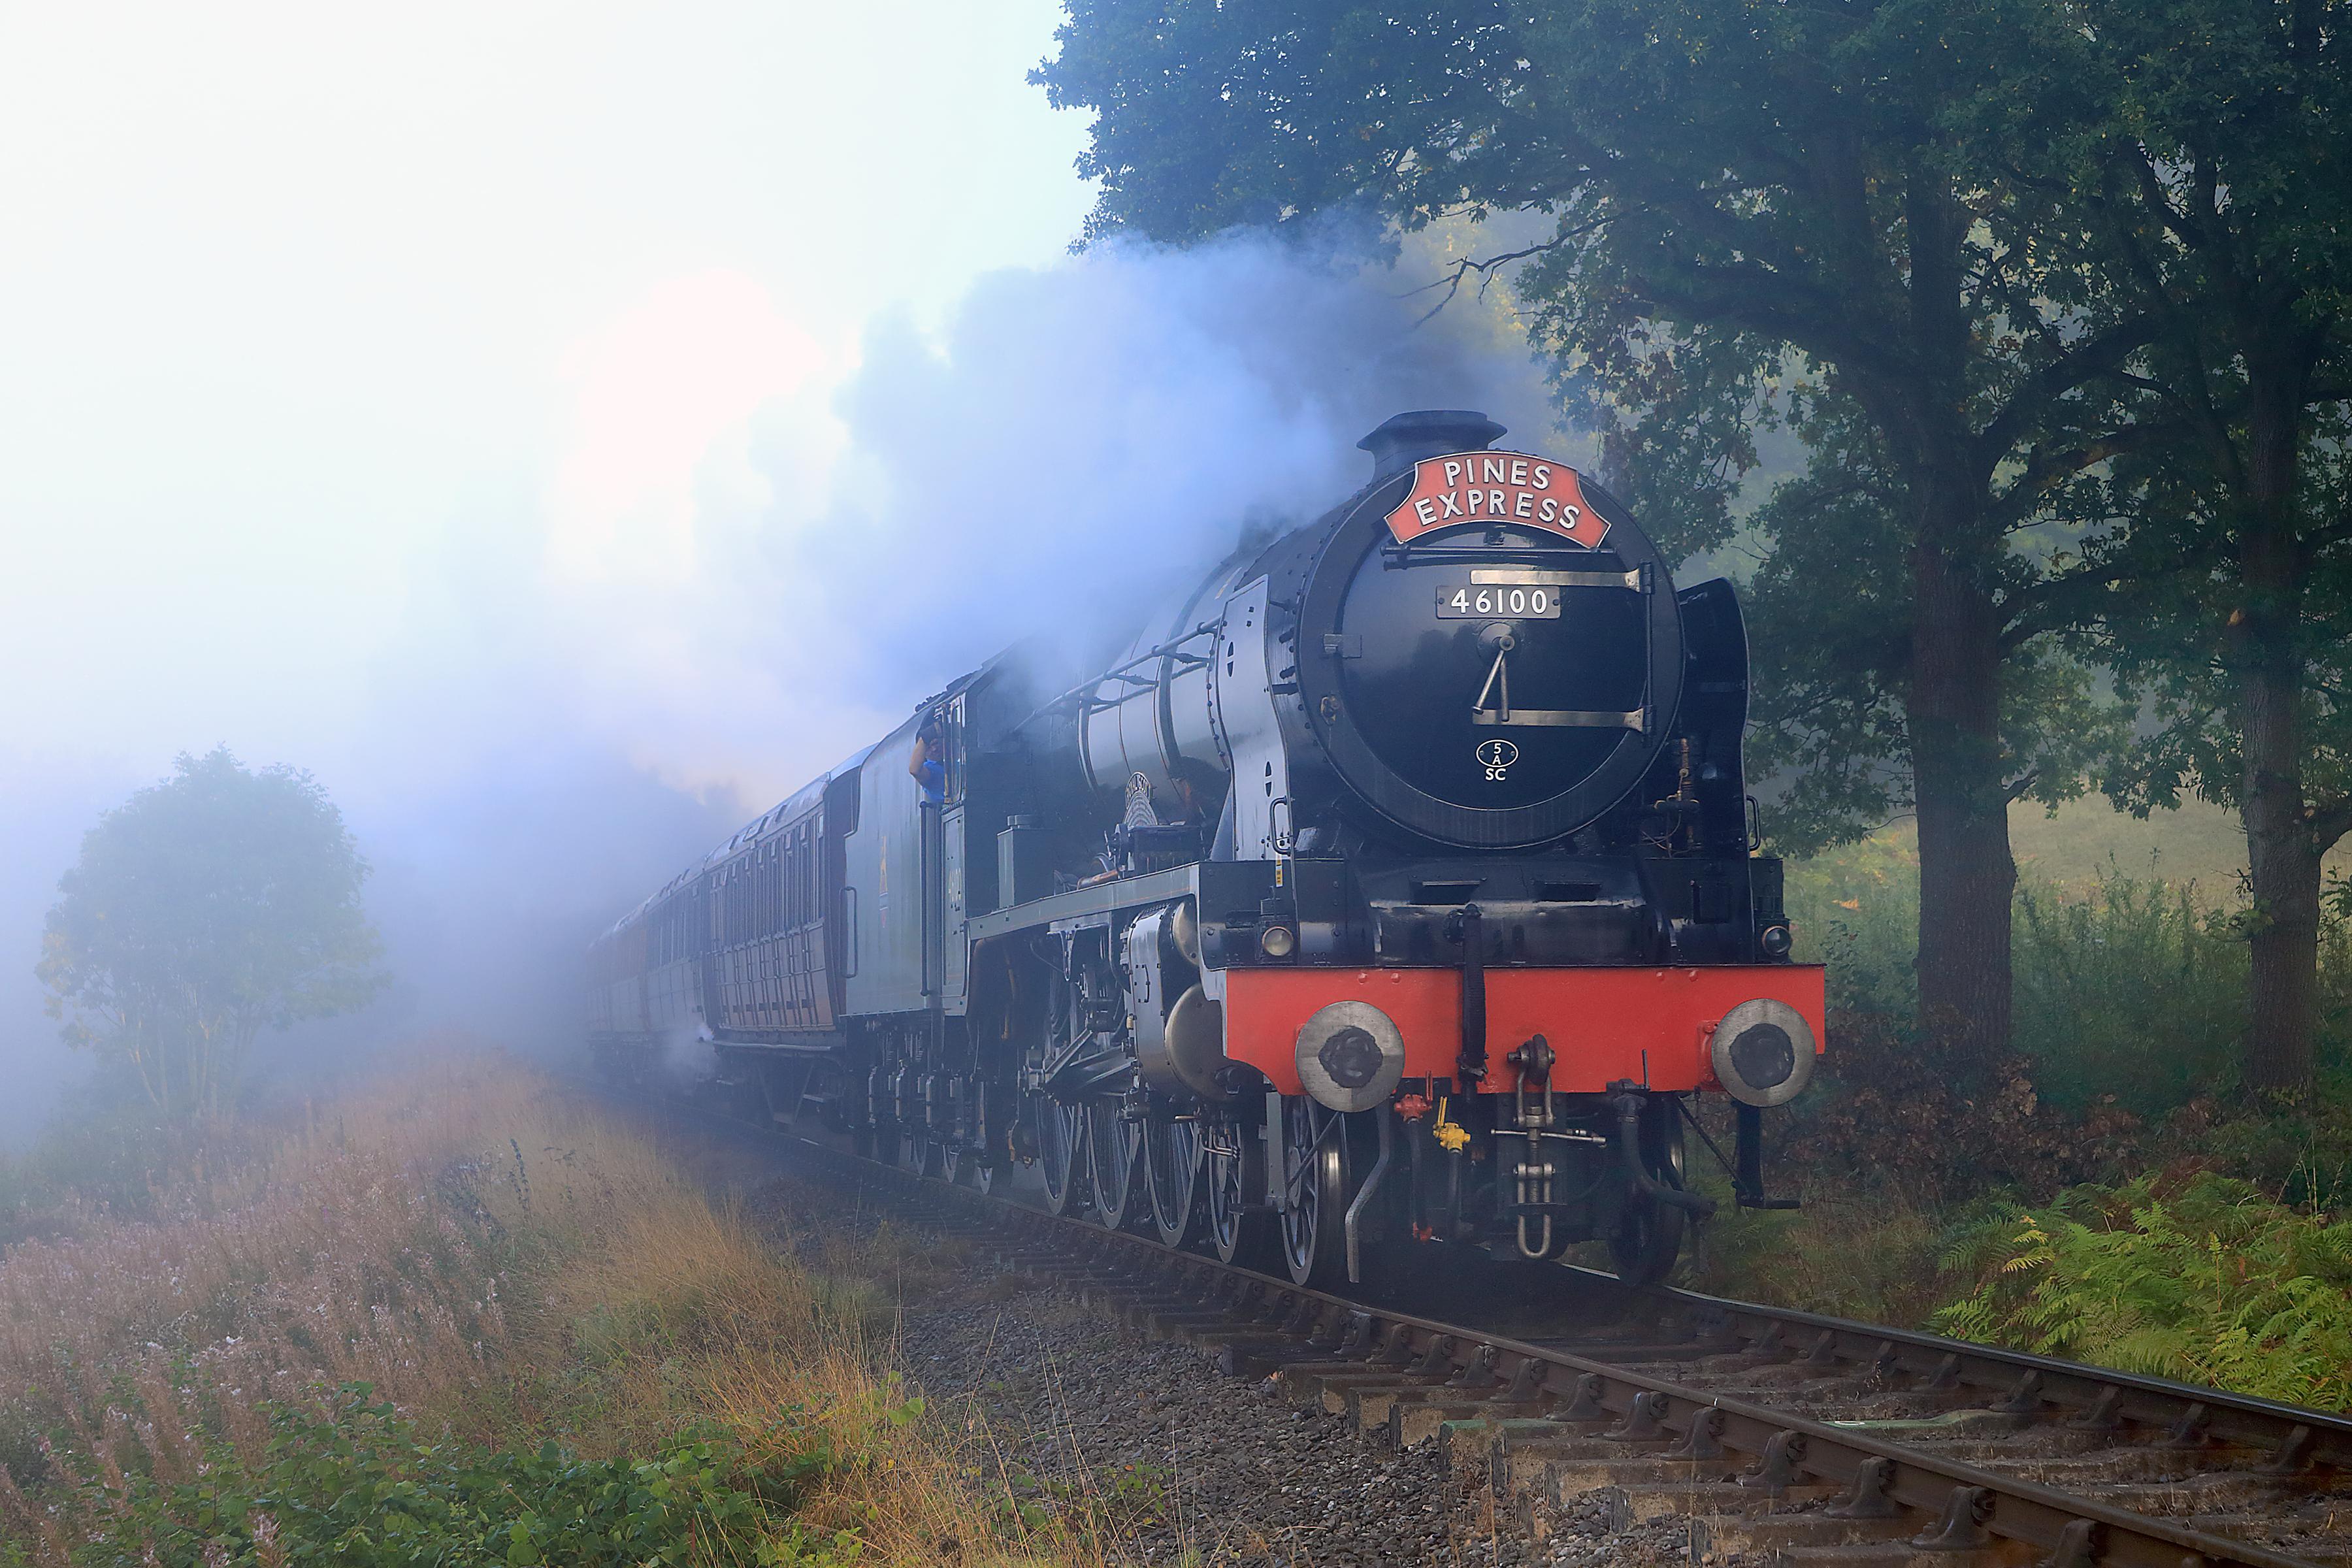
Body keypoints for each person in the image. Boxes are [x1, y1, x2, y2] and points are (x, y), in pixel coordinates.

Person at [908, 713, 945, 804]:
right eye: (928, 747)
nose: (934, 749)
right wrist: (924, 738)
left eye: (936, 743)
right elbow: (915, 770)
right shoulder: (932, 769)